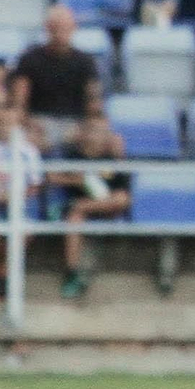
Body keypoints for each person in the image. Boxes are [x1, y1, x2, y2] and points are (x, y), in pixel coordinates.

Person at [49, 113, 131, 298]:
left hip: (104, 208)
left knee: (121, 199)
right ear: (84, 132)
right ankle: (72, 273)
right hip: (79, 210)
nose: (98, 135)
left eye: (103, 131)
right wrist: (75, 180)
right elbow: (51, 176)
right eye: (94, 130)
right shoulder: (72, 154)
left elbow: (122, 194)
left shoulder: (112, 159)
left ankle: (79, 206)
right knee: (74, 219)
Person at [0, 97, 43, 294]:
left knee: (21, 236)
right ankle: (4, 272)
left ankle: (2, 275)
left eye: (10, 124)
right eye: (0, 123)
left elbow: (35, 185)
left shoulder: (28, 151)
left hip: (23, 205)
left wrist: (14, 197)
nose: (5, 128)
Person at [10, 5, 103, 154]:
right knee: (22, 141)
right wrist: (28, 122)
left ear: (73, 28)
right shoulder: (30, 59)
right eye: (56, 27)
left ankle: (87, 177)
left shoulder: (85, 62)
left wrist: (89, 126)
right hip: (40, 124)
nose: (60, 33)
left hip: (75, 126)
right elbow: (20, 103)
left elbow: (93, 102)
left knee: (105, 140)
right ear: (48, 28)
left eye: (65, 27)